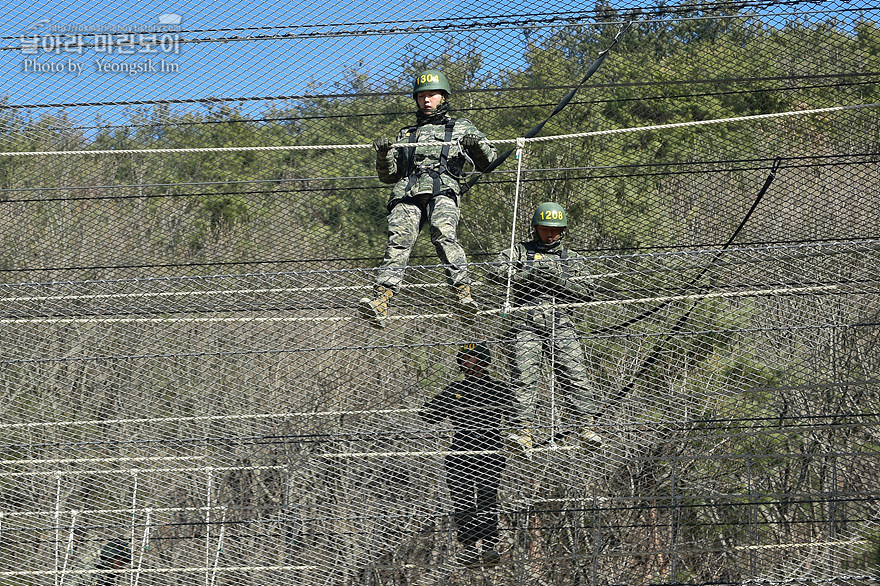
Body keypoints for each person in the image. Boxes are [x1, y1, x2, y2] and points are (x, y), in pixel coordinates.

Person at [359, 69, 498, 327]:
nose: (426, 100)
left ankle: (463, 295)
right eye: (421, 96)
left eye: (432, 95)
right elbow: (389, 176)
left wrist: (475, 145)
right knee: (398, 242)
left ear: (443, 97)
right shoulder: (406, 134)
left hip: (442, 188)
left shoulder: (460, 127)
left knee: (444, 234)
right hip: (408, 192)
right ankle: (382, 300)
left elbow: (489, 162)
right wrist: (383, 154)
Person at [492, 202, 603, 450]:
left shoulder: (571, 259)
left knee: (575, 375)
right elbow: (496, 273)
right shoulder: (519, 251)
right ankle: (522, 432)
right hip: (524, 323)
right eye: (544, 229)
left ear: (562, 230)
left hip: (560, 321)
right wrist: (528, 275)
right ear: (535, 228)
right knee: (523, 377)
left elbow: (587, 292)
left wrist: (557, 280)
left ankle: (587, 427)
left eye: (554, 230)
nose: (549, 234)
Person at [419, 342, 516, 568]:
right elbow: (431, 416)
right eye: (463, 358)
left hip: (489, 452)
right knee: (462, 500)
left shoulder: (499, 390)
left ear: (483, 361)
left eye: (472, 357)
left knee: (486, 498)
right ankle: (469, 547)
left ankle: (490, 546)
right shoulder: (454, 390)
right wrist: (427, 406)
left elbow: (514, 415)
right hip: (460, 453)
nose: (467, 362)